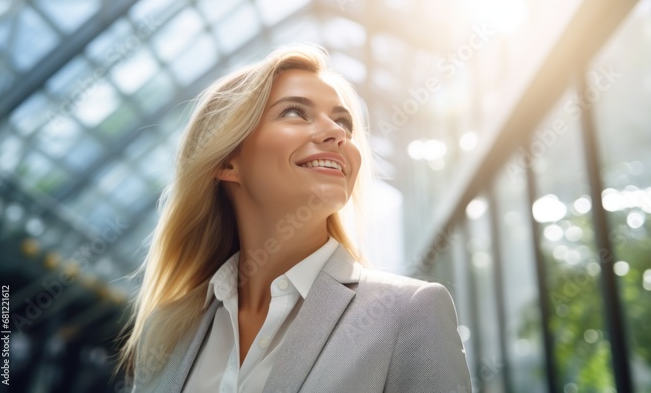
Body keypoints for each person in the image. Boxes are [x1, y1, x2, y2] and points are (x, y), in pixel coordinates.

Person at [115, 44, 471, 392]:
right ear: (227, 162)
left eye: (343, 120)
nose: (338, 132)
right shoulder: (167, 330)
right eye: (295, 113)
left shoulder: (409, 313)